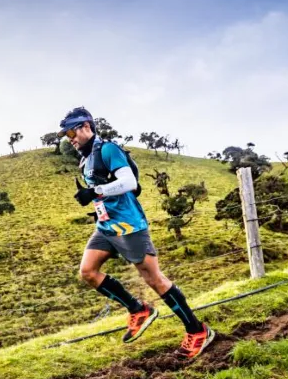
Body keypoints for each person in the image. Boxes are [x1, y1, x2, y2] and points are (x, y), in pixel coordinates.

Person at [58, 107, 215, 358]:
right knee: (88, 272)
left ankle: (197, 331)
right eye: (66, 135)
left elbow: (129, 183)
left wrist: (96, 191)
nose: (70, 139)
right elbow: (103, 191)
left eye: (71, 132)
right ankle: (138, 309)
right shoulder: (85, 160)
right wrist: (94, 202)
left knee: (155, 280)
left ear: (86, 126)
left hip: (129, 227)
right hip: (106, 227)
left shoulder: (108, 149)